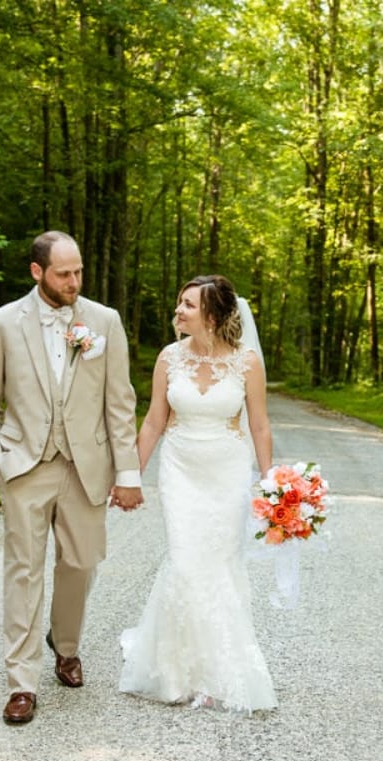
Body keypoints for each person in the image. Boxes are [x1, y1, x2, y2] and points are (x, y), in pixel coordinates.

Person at [0, 230, 143, 725]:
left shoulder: (104, 321)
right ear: (37, 272)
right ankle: (21, 682)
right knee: (23, 571)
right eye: (64, 273)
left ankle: (65, 643)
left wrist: (127, 473)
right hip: (24, 466)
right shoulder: (2, 323)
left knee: (81, 563)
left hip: (86, 467)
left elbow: (120, 404)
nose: (74, 282)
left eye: (79, 272)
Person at [119, 275, 277, 713]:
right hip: (180, 469)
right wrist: (129, 475)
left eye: (187, 305)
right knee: (186, 561)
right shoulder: (169, 358)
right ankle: (176, 671)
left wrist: (271, 485)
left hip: (227, 471)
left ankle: (216, 673)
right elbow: (153, 421)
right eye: (179, 303)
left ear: (211, 314)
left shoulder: (247, 363)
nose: (178, 311)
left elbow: (260, 425)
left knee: (219, 563)